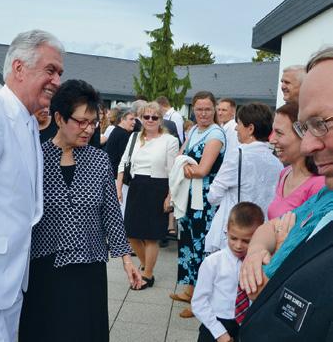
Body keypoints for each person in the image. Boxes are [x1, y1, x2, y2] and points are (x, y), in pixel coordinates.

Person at [19, 80, 141, 342]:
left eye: (93, 122)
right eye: (81, 122)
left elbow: (111, 212)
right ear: (59, 118)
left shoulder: (99, 160)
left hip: (89, 267)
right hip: (45, 267)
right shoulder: (36, 158)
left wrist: (126, 259)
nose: (88, 129)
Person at [0, 30, 64, 342]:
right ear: (19, 68)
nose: (57, 81)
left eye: (60, 73)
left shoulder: (29, 121)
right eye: (50, 70)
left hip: (11, 284)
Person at [239, 47, 333, 341]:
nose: (307, 146)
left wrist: (280, 250)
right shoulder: (325, 197)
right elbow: (271, 225)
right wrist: (257, 251)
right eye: (305, 127)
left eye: (321, 124)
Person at [170, 91, 226, 318]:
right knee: (187, 244)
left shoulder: (216, 134)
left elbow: (202, 170)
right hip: (189, 197)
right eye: (199, 109)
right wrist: (183, 166)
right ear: (193, 109)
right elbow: (179, 158)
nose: (203, 113)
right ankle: (190, 290)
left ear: (214, 110)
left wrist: (183, 168)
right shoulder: (193, 130)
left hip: (204, 200)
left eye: (207, 109)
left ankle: (200, 302)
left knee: (201, 247)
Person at [204, 102, 283, 253]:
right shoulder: (277, 162)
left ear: (250, 128)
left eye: (238, 124)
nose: (235, 128)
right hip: (262, 234)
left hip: (236, 231)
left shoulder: (238, 155)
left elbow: (213, 196)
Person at [117, 101, 179, 289]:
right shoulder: (134, 137)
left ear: (161, 120)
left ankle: (148, 274)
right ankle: (146, 265)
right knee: (130, 233)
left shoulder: (170, 141)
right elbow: (123, 163)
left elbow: (173, 171)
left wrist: (170, 196)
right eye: (146, 117)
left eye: (155, 117)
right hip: (136, 186)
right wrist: (119, 187)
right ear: (140, 118)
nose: (150, 120)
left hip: (158, 187)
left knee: (151, 235)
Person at [192, 202, 264, 342]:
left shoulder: (261, 264)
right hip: (216, 325)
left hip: (247, 324)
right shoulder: (213, 262)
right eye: (233, 238)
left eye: (246, 241)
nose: (238, 245)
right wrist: (219, 333)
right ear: (227, 230)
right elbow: (199, 302)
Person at [268, 102, 325, 219]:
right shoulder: (285, 173)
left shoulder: (319, 185)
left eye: (279, 133)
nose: (272, 140)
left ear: (303, 136)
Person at [105, 107, 136, 216]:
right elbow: (125, 160)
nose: (134, 122)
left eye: (135, 119)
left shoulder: (117, 131)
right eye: (131, 119)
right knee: (120, 212)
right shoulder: (123, 135)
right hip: (118, 179)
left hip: (113, 177)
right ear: (122, 119)